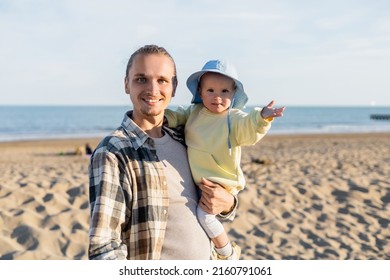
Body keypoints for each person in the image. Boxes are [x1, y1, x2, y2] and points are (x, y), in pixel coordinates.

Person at [88, 45, 237, 260]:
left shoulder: (185, 138)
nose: (152, 89)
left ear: (174, 87)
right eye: (141, 79)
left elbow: (219, 204)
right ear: (126, 85)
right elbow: (104, 247)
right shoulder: (113, 151)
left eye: (162, 80)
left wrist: (228, 204)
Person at [165, 59, 285, 260]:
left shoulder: (233, 119)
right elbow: (179, 114)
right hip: (199, 181)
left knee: (205, 217)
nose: (217, 98)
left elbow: (249, 126)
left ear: (233, 95)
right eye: (210, 90)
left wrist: (262, 117)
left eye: (224, 92)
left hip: (221, 181)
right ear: (200, 92)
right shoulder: (195, 112)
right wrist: (167, 117)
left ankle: (227, 252)